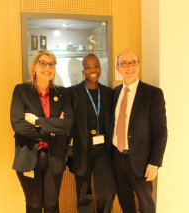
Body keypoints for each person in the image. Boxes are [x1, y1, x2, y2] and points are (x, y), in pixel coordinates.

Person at [10, 50, 74, 212]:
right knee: (34, 205)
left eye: (51, 64)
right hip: (29, 156)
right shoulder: (21, 91)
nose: (47, 68)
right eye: (43, 63)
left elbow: (67, 124)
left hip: (55, 157)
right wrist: (53, 128)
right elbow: (18, 125)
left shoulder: (62, 92)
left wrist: (38, 122)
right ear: (34, 67)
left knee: (52, 204)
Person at [109, 50, 167, 213]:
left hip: (141, 161)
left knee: (146, 203)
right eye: (124, 63)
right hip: (117, 158)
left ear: (139, 66)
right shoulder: (115, 92)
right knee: (125, 201)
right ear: (118, 68)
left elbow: (161, 132)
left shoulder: (153, 94)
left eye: (133, 62)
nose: (129, 67)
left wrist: (154, 163)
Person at [67, 54, 116, 213]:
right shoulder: (73, 93)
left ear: (100, 69)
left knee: (106, 193)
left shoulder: (109, 93)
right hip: (82, 150)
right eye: (87, 67)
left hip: (103, 151)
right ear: (82, 70)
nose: (92, 70)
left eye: (96, 66)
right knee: (83, 194)